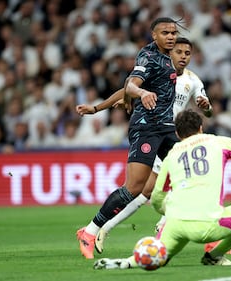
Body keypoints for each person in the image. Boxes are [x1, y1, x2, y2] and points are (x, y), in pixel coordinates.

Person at [93, 109, 231, 269]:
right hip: (209, 225)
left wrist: (166, 212)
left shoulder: (171, 155)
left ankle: (125, 263)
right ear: (201, 128)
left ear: (177, 134)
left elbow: (158, 195)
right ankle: (214, 255)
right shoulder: (218, 142)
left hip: (175, 226)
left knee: (159, 256)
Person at [75, 37, 214, 256]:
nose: (183, 56)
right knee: (140, 189)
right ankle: (103, 228)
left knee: (188, 179)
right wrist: (96, 108)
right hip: (152, 132)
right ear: (170, 53)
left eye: (187, 53)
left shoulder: (193, 80)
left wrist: (206, 108)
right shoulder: (156, 70)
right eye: (179, 52)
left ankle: (181, 230)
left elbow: (206, 108)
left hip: (172, 136)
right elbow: (127, 90)